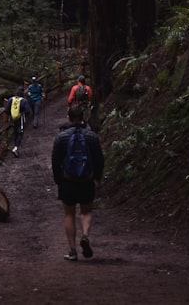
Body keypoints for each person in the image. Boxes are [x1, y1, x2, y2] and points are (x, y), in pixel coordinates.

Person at [52, 105, 105, 261]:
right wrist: (97, 178)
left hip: (68, 181)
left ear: (69, 117)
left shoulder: (61, 137)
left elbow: (55, 161)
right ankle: (85, 236)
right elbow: (99, 160)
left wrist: (58, 180)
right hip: (87, 180)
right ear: (84, 117)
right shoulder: (91, 136)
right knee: (86, 211)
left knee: (69, 214)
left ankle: (72, 251)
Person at [4, 87, 32, 157]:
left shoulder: (11, 99)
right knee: (20, 133)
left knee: (15, 132)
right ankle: (15, 148)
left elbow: (6, 110)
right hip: (20, 119)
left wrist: (11, 115)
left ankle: (14, 146)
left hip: (12, 119)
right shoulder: (24, 101)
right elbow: (28, 111)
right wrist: (23, 115)